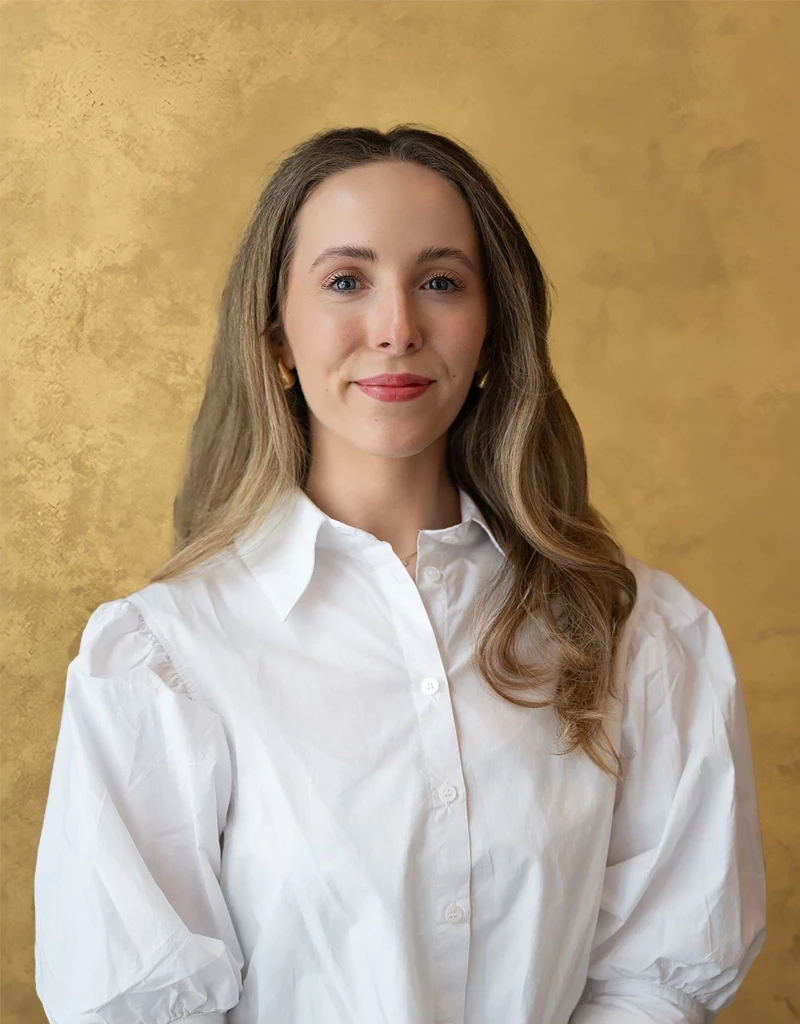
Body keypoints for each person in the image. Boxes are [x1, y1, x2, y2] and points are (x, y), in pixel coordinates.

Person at [34, 124, 766, 1024]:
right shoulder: (165, 659)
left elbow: (656, 981)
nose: (397, 330)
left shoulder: (638, 632)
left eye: (441, 282)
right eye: (347, 281)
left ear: (493, 333)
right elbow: (137, 1006)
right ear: (278, 338)